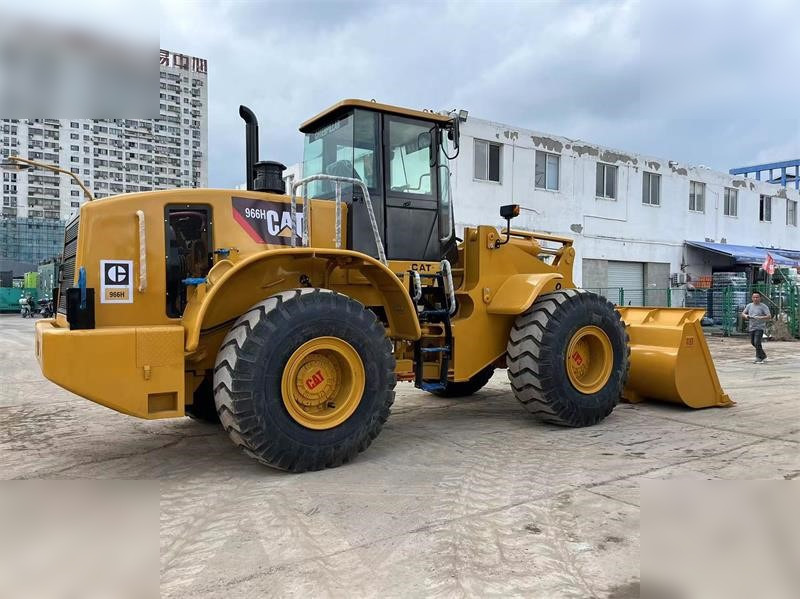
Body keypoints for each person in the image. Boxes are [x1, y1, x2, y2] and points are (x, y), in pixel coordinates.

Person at [742, 291, 771, 363]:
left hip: (760, 327)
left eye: (757, 297)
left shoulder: (763, 306)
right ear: (752, 298)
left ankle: (758, 358)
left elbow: (769, 316)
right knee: (753, 342)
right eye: (754, 297)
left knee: (757, 342)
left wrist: (760, 317)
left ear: (760, 298)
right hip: (751, 327)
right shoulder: (749, 305)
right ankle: (763, 356)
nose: (755, 299)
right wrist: (746, 316)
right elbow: (743, 313)